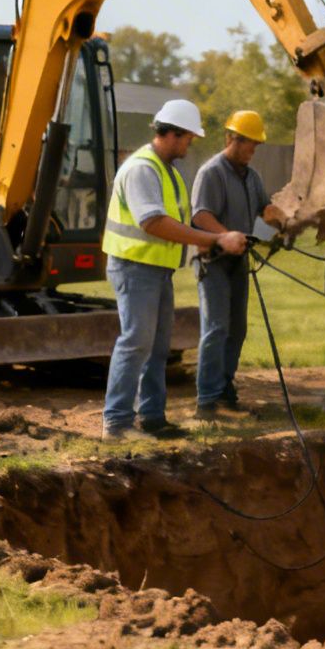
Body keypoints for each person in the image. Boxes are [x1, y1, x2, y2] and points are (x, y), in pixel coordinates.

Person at [101, 99, 247, 440]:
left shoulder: (167, 170)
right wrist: (214, 239)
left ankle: (152, 418)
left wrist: (203, 241)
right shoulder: (142, 169)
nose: (190, 144)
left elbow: (173, 222)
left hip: (156, 269)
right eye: (188, 138)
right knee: (136, 341)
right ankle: (117, 424)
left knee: (156, 347)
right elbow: (153, 222)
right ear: (172, 134)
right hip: (135, 267)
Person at [190, 110, 282, 419]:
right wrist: (225, 235)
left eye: (256, 145)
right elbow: (201, 216)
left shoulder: (250, 176)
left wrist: (274, 216)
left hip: (238, 261)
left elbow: (262, 207)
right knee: (216, 327)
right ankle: (207, 402)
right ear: (232, 139)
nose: (253, 151)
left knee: (236, 329)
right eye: (250, 145)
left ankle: (225, 393)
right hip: (213, 260)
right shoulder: (211, 172)